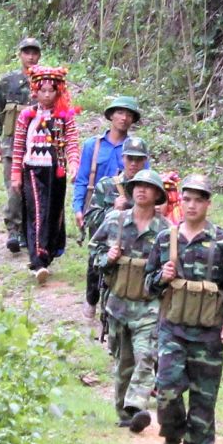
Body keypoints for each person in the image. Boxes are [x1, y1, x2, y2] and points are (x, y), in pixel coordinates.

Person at [143, 174, 223, 444]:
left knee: (204, 394)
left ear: (208, 204)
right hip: (173, 328)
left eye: (198, 200)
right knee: (167, 388)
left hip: (208, 332)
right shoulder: (166, 239)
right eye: (187, 199)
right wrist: (161, 277)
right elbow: (148, 285)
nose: (191, 205)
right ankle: (171, 439)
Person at [90, 168, 169, 432]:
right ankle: (125, 413)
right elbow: (94, 251)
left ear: (157, 194)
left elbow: (175, 265)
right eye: (137, 185)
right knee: (123, 360)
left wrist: (166, 273)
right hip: (118, 303)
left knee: (145, 355)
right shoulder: (115, 220)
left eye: (148, 186)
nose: (141, 190)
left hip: (149, 304)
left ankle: (137, 405)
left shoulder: (166, 230)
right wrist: (107, 257)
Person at [9, 66, 81, 284]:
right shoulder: (26, 115)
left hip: (56, 170)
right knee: (37, 212)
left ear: (58, 92)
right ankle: (38, 260)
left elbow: (72, 142)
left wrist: (74, 163)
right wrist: (16, 175)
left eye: (51, 91)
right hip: (33, 169)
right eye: (43, 91)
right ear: (35, 91)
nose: (47, 95)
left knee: (54, 212)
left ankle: (46, 255)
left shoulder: (64, 117)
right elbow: (18, 146)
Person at [83, 135, 151, 322]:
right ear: (123, 158)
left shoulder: (151, 188)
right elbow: (90, 218)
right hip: (110, 243)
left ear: (145, 161)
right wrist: (112, 210)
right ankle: (91, 299)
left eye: (138, 159)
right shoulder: (107, 185)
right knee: (96, 266)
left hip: (137, 246)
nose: (134, 164)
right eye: (130, 158)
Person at [0, 37, 41, 253]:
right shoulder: (8, 82)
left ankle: (31, 232)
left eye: (34, 53)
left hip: (39, 148)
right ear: (20, 55)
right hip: (12, 145)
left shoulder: (47, 82)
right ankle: (14, 231)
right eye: (27, 52)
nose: (31, 57)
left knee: (35, 191)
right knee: (14, 189)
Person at [72, 95, 142, 241]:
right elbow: (82, 180)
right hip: (98, 210)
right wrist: (78, 208)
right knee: (97, 249)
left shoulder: (136, 150)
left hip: (127, 211)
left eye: (129, 115)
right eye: (120, 113)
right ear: (111, 115)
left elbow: (144, 180)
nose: (124, 118)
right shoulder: (92, 145)